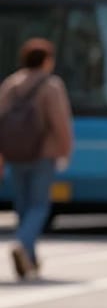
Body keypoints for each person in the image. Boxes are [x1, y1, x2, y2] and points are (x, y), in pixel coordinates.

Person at [0, 38, 73, 280]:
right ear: (46, 61)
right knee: (39, 205)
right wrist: (65, 150)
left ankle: (29, 260)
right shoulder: (51, 85)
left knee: (22, 205)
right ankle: (22, 243)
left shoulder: (11, 83)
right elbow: (60, 122)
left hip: (15, 153)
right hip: (43, 154)